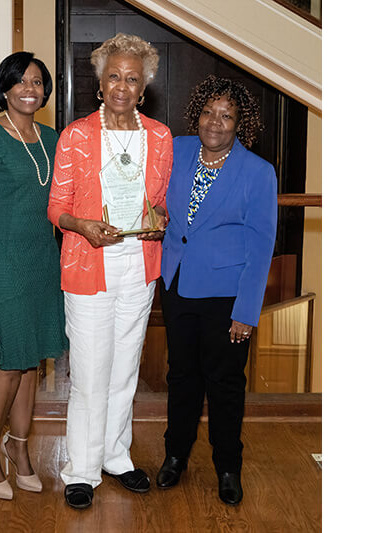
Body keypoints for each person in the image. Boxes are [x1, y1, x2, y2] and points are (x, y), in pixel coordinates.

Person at [47, 33, 173, 510]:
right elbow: (56, 207)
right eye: (114, 76)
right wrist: (82, 224)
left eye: (132, 78)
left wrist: (159, 219)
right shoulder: (76, 135)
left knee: (125, 369)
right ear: (99, 83)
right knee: (89, 373)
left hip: (139, 268)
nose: (122, 85)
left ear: (144, 89)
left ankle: (116, 455)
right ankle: (81, 468)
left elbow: (158, 202)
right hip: (88, 266)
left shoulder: (159, 137)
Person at [156, 75, 277, 505]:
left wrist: (246, 311)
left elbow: (262, 246)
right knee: (181, 377)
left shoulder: (258, 173)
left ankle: (228, 466)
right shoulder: (177, 150)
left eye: (227, 115)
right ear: (197, 115)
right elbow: (156, 199)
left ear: (239, 123)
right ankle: (175, 455)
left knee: (224, 383)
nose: (215, 122)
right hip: (177, 285)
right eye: (209, 112)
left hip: (226, 295)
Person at [0, 51, 68, 500]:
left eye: (39, 82)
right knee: (6, 361)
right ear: (4, 88)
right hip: (0, 264)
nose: (31, 88)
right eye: (21, 81)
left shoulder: (52, 137)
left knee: (32, 360)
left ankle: (19, 448)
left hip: (43, 262)